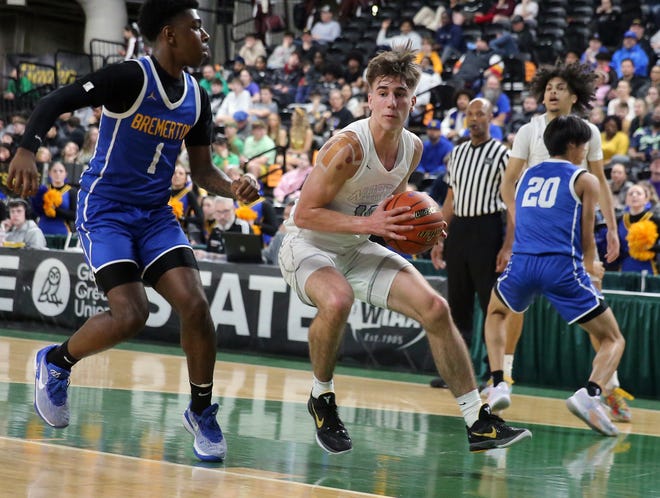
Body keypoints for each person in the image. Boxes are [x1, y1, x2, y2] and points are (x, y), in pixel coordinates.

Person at [6, 0, 260, 463]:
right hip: (105, 209)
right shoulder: (128, 77)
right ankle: (57, 362)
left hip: (154, 213)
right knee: (131, 314)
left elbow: (202, 171)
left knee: (196, 306)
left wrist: (234, 188)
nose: (204, 37)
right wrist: (27, 148)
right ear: (169, 34)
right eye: (197, 28)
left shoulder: (197, 96)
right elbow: (54, 100)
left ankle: (200, 410)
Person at [277, 44, 531, 455]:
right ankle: (322, 398)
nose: (391, 101)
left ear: (413, 101)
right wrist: (372, 224)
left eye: (400, 93)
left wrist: (418, 229)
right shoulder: (347, 148)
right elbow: (304, 213)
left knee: (436, 309)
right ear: (369, 99)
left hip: (357, 245)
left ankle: (477, 421)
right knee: (338, 300)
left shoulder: (411, 147)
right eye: (383, 91)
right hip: (308, 245)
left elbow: (392, 205)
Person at [494, 62, 633, 423]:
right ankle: (504, 378)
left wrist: (613, 229)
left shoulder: (586, 131)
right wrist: (519, 220)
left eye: (560, 87)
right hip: (537, 223)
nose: (552, 92)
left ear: (574, 95)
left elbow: (599, 181)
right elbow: (509, 183)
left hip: (574, 221)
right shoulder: (529, 129)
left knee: (595, 306)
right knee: (516, 308)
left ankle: (608, 387)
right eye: (548, 87)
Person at [429, 98, 521, 388]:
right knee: (457, 304)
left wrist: (508, 246)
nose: (474, 119)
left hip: (488, 229)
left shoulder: (502, 154)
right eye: (470, 114)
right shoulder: (456, 154)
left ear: (491, 118)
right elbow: (450, 200)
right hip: (459, 230)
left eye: (480, 114)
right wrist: (438, 238)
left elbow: (512, 206)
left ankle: (491, 374)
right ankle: (459, 372)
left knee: (489, 303)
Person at [615, 183, 660, 274]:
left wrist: (650, 248)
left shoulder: (655, 220)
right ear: (626, 200)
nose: (634, 196)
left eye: (638, 193)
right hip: (625, 268)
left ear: (646, 199)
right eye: (630, 194)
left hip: (649, 268)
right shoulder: (619, 220)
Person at [30, 161, 77, 236]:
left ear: (65, 174)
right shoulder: (43, 190)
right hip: (42, 230)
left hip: (62, 232)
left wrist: (55, 210)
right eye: (54, 171)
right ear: (50, 173)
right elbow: (34, 212)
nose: (57, 173)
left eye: (61, 171)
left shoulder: (71, 191)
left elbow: (74, 215)